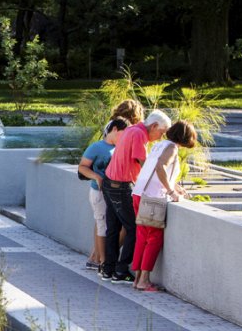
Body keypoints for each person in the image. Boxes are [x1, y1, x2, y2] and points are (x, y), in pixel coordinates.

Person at [100, 109, 172, 283]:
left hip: (109, 182)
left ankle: (108, 270)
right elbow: (145, 164)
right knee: (134, 227)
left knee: (113, 228)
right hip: (121, 186)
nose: (161, 137)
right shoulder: (139, 134)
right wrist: (167, 185)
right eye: (161, 132)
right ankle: (121, 271)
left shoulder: (132, 129)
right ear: (154, 126)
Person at [131, 121, 198, 291]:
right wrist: (171, 191)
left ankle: (137, 278)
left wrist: (174, 185)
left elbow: (155, 170)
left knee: (141, 237)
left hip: (139, 193)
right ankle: (144, 280)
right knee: (154, 238)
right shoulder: (172, 148)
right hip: (152, 198)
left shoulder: (159, 145)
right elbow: (160, 167)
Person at [78, 117, 129, 270]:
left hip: (116, 193)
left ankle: (107, 260)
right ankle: (103, 262)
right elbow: (82, 167)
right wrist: (96, 177)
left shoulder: (120, 147)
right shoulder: (96, 147)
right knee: (102, 225)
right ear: (114, 129)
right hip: (99, 192)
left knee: (117, 226)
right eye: (123, 133)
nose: (124, 138)